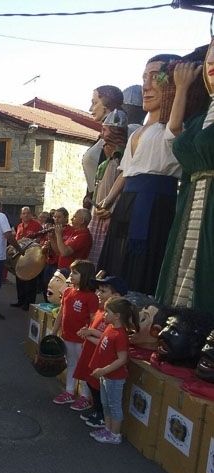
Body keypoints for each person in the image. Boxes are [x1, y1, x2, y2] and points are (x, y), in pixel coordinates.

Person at [97, 54, 182, 295]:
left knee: (143, 262)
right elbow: (126, 170)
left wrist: (182, 88)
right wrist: (108, 200)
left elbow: (175, 129)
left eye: (156, 78)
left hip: (155, 203)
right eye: (144, 78)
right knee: (117, 259)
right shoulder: (136, 133)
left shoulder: (172, 127)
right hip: (127, 201)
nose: (146, 86)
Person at [156, 47, 212, 312]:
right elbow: (173, 135)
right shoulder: (200, 120)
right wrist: (181, 89)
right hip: (192, 206)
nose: (212, 60)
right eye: (211, 51)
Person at [74, 276, 128, 429]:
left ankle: (104, 419)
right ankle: (98, 412)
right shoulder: (103, 312)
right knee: (92, 384)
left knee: (101, 391)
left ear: (116, 296)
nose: (98, 293)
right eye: (98, 290)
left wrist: (89, 334)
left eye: (103, 291)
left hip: (106, 364)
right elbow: (102, 335)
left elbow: (111, 345)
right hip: (94, 357)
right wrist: (89, 332)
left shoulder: (116, 324)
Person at [51, 260, 98, 411]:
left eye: (75, 273)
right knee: (71, 363)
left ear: (85, 276)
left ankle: (85, 396)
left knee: (83, 367)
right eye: (71, 272)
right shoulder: (67, 292)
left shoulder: (91, 297)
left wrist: (89, 334)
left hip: (82, 340)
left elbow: (94, 319)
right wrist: (54, 331)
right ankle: (69, 392)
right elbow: (61, 313)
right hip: (67, 336)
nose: (71, 275)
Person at [89, 297, 137, 444]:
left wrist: (104, 370)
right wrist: (88, 335)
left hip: (114, 378)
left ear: (117, 316)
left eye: (107, 312)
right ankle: (108, 429)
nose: (104, 314)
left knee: (114, 406)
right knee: (106, 404)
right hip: (106, 376)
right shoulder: (110, 328)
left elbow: (122, 359)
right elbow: (103, 344)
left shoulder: (120, 335)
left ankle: (115, 434)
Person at [88, 110, 129, 266]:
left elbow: (120, 187)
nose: (102, 134)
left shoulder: (121, 157)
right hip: (99, 211)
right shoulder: (109, 160)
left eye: (105, 130)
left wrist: (111, 211)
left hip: (108, 213)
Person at [82, 86, 124, 208]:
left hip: (108, 201)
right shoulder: (101, 138)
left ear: (106, 105)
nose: (91, 108)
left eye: (95, 103)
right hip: (97, 200)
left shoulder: (117, 136)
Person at [12, 206, 42, 310]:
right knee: (20, 279)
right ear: (20, 215)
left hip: (32, 258)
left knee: (30, 281)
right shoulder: (19, 226)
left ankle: (29, 304)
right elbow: (17, 239)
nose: (26, 215)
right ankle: (20, 301)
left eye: (28, 213)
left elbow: (40, 239)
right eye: (24, 213)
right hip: (21, 257)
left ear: (31, 215)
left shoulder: (36, 225)